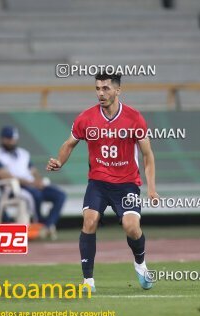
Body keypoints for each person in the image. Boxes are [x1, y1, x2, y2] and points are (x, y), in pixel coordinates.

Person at [46, 72, 159, 292]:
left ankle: (141, 264)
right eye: (98, 88)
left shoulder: (134, 118)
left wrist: (151, 189)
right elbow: (70, 143)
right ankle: (88, 282)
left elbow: (147, 155)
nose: (101, 93)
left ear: (118, 90)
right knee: (89, 221)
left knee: (132, 227)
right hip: (98, 182)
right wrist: (59, 161)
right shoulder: (86, 118)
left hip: (127, 183)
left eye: (106, 88)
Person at [0, 126, 66, 240]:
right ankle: (38, 223)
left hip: (31, 185)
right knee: (35, 194)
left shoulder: (23, 153)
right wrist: (30, 183)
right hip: (12, 188)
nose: (12, 141)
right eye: (9, 139)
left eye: (13, 139)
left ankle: (47, 225)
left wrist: (38, 181)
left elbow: (33, 171)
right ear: (2, 139)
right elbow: (3, 175)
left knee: (60, 195)